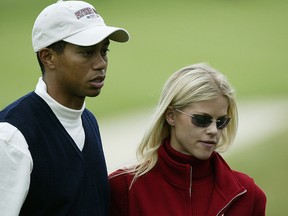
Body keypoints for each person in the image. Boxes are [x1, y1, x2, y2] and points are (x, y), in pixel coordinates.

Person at [0, 0, 129, 215]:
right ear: (48, 57)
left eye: (104, 51)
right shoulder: (12, 137)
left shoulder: (88, 121)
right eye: (87, 53)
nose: (101, 63)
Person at [109, 63, 266, 216]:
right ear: (171, 115)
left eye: (221, 122)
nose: (213, 131)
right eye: (201, 119)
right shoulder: (123, 188)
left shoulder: (248, 195)